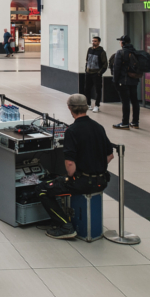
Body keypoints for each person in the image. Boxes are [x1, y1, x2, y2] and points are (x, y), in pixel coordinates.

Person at [37, 94, 114, 239]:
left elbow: (70, 165)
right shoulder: (99, 127)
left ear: (70, 108)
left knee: (42, 189)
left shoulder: (72, 131)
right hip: (101, 181)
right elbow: (110, 156)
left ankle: (65, 225)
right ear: (86, 107)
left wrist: (69, 177)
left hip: (82, 182)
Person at [110, 36, 140, 129]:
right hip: (134, 80)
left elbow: (117, 68)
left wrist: (115, 81)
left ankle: (125, 123)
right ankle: (135, 122)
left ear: (122, 42)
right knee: (135, 101)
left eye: (120, 41)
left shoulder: (120, 52)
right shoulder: (135, 52)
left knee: (125, 102)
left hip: (123, 81)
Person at [84, 36, 109, 112]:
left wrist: (99, 73)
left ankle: (97, 105)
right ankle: (88, 104)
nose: (93, 42)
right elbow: (87, 60)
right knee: (87, 89)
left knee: (98, 90)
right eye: (93, 41)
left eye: (95, 41)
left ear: (99, 42)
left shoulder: (102, 52)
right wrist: (86, 69)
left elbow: (105, 64)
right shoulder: (89, 50)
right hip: (88, 73)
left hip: (96, 74)